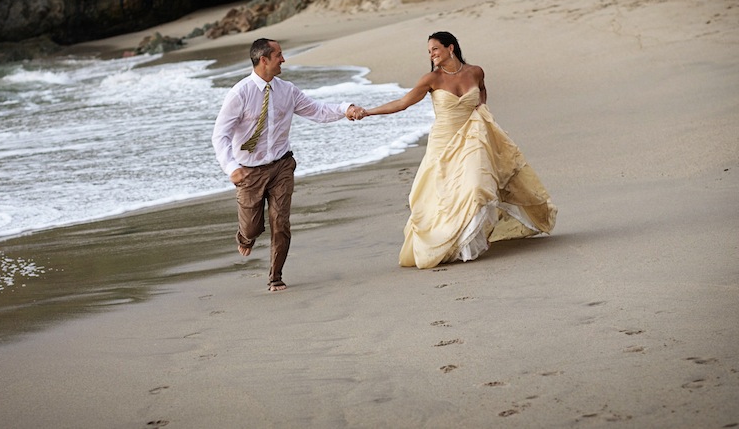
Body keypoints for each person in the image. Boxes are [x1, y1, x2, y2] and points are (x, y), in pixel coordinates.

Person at [359, 31, 556, 269]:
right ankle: (448, 243)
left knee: (475, 186)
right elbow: (403, 103)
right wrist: (368, 112)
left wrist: (481, 109)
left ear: (450, 48)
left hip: (473, 137)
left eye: (435, 49)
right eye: (429, 51)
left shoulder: (475, 71)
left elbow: (481, 90)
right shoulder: (431, 79)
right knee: (443, 193)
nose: (431, 55)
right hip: (443, 141)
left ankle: (468, 244)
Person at [212, 38, 367, 291]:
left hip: (282, 166)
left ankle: (275, 276)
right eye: (279, 55)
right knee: (252, 227)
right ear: (264, 60)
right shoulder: (239, 94)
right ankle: (245, 236)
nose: (283, 59)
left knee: (280, 222)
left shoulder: (287, 90)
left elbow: (317, 110)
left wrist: (345, 108)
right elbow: (220, 135)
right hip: (249, 171)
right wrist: (231, 168)